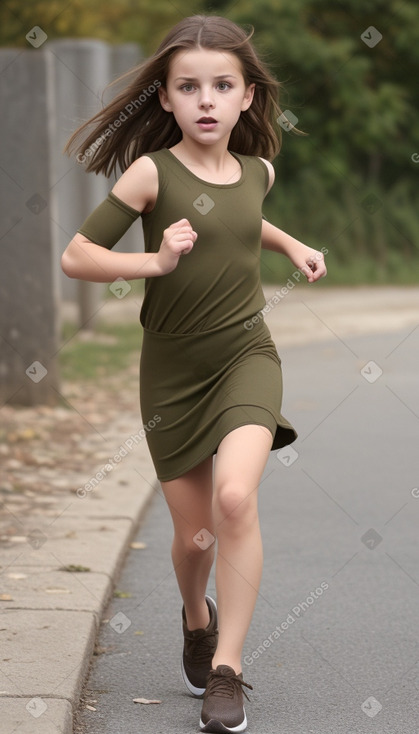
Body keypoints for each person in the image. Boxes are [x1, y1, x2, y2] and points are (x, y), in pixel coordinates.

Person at [62, 14, 327, 733]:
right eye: (188, 87)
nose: (205, 99)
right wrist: (154, 262)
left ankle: (227, 670)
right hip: (173, 371)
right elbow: (78, 255)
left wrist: (290, 243)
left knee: (235, 501)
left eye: (221, 85)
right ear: (167, 99)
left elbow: (245, 216)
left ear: (246, 97)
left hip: (245, 354)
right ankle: (194, 615)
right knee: (195, 541)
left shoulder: (258, 170)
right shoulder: (152, 173)